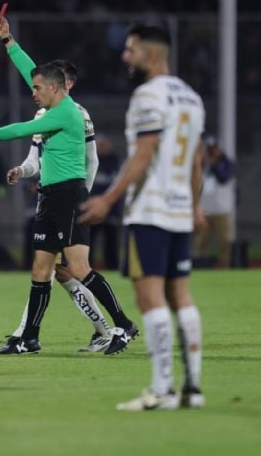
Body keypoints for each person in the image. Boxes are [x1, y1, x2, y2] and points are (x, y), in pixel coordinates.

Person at [0, 14, 137, 356]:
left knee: (79, 268)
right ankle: (29, 338)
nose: (32, 92)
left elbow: (20, 129)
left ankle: (123, 324)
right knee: (41, 268)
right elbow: (30, 71)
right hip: (49, 197)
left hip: (70, 196)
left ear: (56, 88)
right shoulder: (50, 105)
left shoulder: (69, 113)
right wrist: (8, 40)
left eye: (37, 89)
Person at [81, 24, 206, 410]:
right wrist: (196, 205)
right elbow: (196, 161)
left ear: (151, 54)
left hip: (150, 210)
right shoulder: (191, 97)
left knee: (149, 297)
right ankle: (193, 389)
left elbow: (144, 153)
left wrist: (108, 199)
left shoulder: (147, 95)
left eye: (131, 50)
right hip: (179, 209)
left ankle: (162, 389)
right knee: (180, 296)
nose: (125, 57)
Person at [4, 57, 113, 353]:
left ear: (68, 85)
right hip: (49, 201)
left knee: (61, 269)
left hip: (69, 201)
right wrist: (21, 170)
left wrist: (81, 199)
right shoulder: (43, 114)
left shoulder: (78, 114)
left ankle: (26, 333)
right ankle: (101, 329)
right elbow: (34, 160)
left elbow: (91, 161)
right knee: (54, 270)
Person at [194, 135, 235, 268]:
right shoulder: (201, 164)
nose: (211, 152)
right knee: (200, 241)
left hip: (222, 210)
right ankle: (199, 266)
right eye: (209, 149)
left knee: (224, 242)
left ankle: (225, 267)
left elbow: (224, 178)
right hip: (204, 211)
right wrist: (203, 160)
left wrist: (213, 164)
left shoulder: (227, 163)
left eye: (214, 148)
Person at [89, 134, 122, 270]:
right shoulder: (89, 160)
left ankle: (113, 267)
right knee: (89, 241)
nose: (102, 147)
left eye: (104, 144)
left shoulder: (115, 161)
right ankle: (87, 267)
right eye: (100, 145)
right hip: (91, 208)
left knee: (111, 241)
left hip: (111, 209)